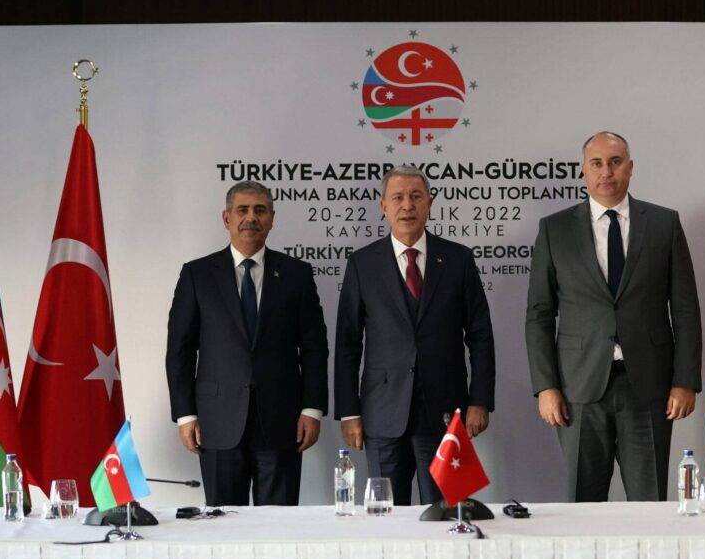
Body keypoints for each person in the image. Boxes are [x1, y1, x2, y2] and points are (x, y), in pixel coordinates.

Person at [525, 131, 702, 501]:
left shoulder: (663, 224)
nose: (607, 172)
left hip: (649, 388)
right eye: (597, 163)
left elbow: (685, 308)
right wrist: (546, 386)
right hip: (578, 390)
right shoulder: (554, 230)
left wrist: (685, 380)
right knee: (582, 505)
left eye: (616, 162)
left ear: (631, 168)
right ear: (584, 171)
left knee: (649, 503)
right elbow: (539, 315)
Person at [334, 165, 495, 505]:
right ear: (383, 206)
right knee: (386, 517)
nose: (407, 205)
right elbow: (348, 343)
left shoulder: (458, 259)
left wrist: (479, 400)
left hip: (443, 414)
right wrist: (349, 412)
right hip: (381, 414)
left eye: (416, 196)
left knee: (447, 512)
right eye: (398, 197)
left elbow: (480, 335)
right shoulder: (362, 263)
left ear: (430, 203)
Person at [166, 180, 328, 506]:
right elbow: (179, 351)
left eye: (260, 210)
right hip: (217, 422)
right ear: (227, 218)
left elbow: (314, 348)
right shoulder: (197, 275)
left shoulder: (297, 274)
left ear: (272, 218)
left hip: (282, 422)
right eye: (242, 210)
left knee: (277, 528)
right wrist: (185, 415)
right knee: (223, 528)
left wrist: (312, 409)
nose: (250, 217)